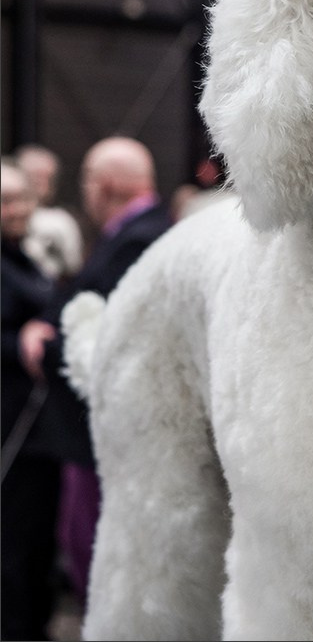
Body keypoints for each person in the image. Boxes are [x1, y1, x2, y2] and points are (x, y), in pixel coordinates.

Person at [21, 137, 173, 610]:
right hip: (97, 430)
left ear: (105, 185)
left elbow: (117, 337)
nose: (83, 191)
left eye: (86, 179)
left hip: (105, 431)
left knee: (95, 549)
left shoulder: (140, 238)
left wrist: (46, 346)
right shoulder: (134, 232)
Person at [1, 159, 59, 641]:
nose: (16, 208)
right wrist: (16, 339)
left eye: (21, 198)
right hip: (9, 427)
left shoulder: (26, 257)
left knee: (35, 537)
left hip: (37, 426)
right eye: (5, 201)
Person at [15, 144, 83, 281]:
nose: (40, 183)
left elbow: (72, 269)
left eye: (47, 177)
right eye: (34, 176)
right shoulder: (9, 215)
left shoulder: (61, 221)